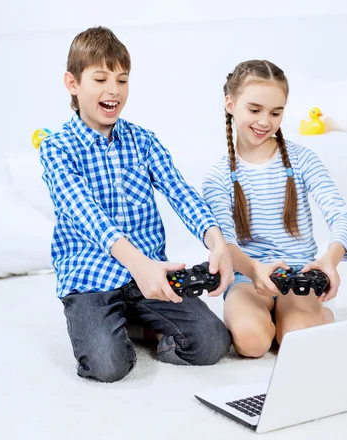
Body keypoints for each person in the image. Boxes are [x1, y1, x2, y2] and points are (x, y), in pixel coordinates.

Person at [39, 27, 233, 382]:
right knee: (107, 366)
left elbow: (180, 191)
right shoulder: (56, 147)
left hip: (150, 277)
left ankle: (141, 326)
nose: (113, 90)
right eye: (100, 79)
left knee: (210, 343)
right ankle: (113, 327)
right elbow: (86, 213)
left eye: (122, 80)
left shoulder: (143, 140)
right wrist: (138, 264)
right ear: (72, 83)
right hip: (91, 277)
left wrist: (216, 241)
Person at [202, 60, 347, 358]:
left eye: (276, 112)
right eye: (255, 110)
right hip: (248, 274)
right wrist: (253, 270)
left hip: (299, 274)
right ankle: (272, 319)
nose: (265, 122)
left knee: (298, 343)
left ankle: (313, 316)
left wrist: (329, 261)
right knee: (251, 342)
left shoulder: (303, 160)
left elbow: (340, 215)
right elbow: (225, 243)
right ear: (230, 104)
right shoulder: (217, 178)